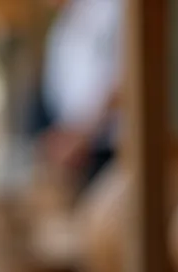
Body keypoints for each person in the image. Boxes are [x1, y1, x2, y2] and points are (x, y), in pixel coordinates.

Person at [36, 0, 123, 187]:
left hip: (120, 149)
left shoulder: (111, 9)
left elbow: (127, 79)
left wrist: (84, 133)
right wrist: (63, 139)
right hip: (83, 158)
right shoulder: (60, 30)